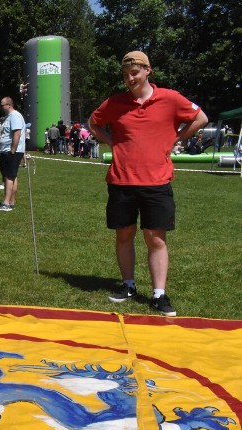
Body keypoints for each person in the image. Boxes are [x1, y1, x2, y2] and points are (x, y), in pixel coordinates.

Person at [88, 50, 207, 317]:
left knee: (155, 238)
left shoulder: (171, 99)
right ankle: (128, 286)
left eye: (135, 73)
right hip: (121, 179)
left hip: (157, 181)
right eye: (126, 74)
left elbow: (201, 119)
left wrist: (176, 139)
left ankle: (159, 295)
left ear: (147, 71)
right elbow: (93, 123)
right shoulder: (115, 103)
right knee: (124, 234)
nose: (130, 79)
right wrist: (112, 142)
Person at [0, 97, 25, 211]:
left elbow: (17, 133)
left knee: (8, 176)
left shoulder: (15, 116)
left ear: (9, 105)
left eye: (2, 105)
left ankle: (6, 203)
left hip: (11, 151)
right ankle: (11, 201)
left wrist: (12, 150)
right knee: (12, 176)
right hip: (5, 150)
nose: (1, 107)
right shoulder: (8, 117)